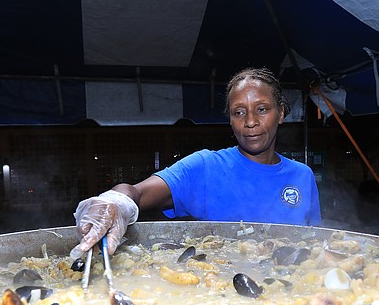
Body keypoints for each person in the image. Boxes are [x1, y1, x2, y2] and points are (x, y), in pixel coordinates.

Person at [71, 66, 322, 257]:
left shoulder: (302, 175)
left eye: (262, 109)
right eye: (239, 112)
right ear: (230, 119)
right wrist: (115, 202)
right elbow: (137, 192)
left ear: (281, 112)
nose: (250, 122)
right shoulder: (206, 167)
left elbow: (312, 244)